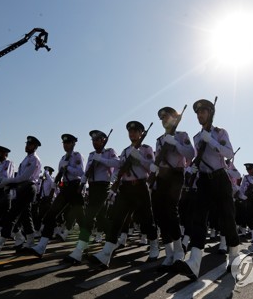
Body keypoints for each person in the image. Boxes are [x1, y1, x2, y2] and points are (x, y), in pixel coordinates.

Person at [174, 99, 240, 280]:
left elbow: (229, 154)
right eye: (197, 113)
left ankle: (234, 258)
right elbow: (197, 158)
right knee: (198, 219)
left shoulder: (220, 132)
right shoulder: (196, 138)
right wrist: (193, 168)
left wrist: (211, 141)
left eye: (203, 112)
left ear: (210, 113)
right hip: (203, 181)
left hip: (220, 178)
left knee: (227, 219)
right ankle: (194, 263)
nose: (199, 115)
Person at [89, 121, 158, 268]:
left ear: (141, 133)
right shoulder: (126, 150)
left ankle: (154, 246)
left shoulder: (146, 148)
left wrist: (139, 158)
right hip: (125, 188)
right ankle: (106, 254)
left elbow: (152, 168)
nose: (132, 134)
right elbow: (119, 168)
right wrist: (115, 181)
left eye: (135, 131)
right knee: (116, 219)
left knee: (147, 219)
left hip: (140, 186)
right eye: (130, 131)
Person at [61, 129, 120, 264]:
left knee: (89, 216)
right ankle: (113, 239)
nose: (94, 142)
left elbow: (117, 163)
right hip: (92, 188)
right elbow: (87, 171)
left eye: (97, 140)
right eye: (93, 140)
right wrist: (82, 184)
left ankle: (79, 251)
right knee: (100, 217)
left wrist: (102, 159)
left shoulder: (109, 151)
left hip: (103, 186)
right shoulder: (91, 155)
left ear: (103, 140)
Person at [0, 136, 41, 256]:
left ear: (35, 147)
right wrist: (10, 184)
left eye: (30, 145)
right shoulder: (26, 159)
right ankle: (30, 242)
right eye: (27, 144)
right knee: (25, 216)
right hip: (22, 188)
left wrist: (8, 181)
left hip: (28, 188)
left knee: (11, 216)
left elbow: (24, 177)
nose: (27, 146)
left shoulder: (34, 159)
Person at [150, 107, 195, 271]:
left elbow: (191, 154)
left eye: (166, 116)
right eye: (161, 117)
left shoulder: (182, 135)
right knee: (160, 214)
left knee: (171, 210)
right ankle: (168, 253)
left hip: (176, 175)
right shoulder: (160, 139)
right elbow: (158, 159)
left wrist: (175, 143)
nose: (163, 119)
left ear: (174, 118)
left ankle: (178, 251)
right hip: (162, 177)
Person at [29, 134, 84, 257]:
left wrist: (68, 167)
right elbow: (60, 175)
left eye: (68, 143)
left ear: (73, 144)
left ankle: (82, 247)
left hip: (75, 188)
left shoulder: (77, 156)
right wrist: (54, 187)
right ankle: (41, 246)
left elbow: (80, 172)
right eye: (64, 143)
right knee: (50, 215)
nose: (65, 145)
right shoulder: (62, 158)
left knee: (81, 219)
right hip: (65, 189)